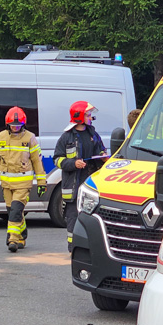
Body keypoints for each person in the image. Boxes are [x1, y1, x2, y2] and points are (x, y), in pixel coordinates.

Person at [0, 107, 47, 253]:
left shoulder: (29, 138)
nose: (15, 127)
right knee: (12, 212)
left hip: (23, 183)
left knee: (15, 210)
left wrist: (41, 182)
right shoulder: (1, 137)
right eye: (12, 125)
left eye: (18, 125)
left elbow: (37, 161)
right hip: (6, 183)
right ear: (7, 124)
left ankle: (13, 239)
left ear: (23, 124)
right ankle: (22, 234)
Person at [54, 101, 108, 252]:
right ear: (79, 116)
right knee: (73, 217)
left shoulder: (93, 134)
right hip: (73, 185)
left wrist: (104, 156)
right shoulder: (66, 137)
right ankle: (73, 247)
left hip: (91, 181)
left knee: (91, 215)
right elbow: (57, 159)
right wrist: (73, 163)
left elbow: (102, 150)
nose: (90, 117)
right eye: (88, 114)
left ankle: (91, 246)